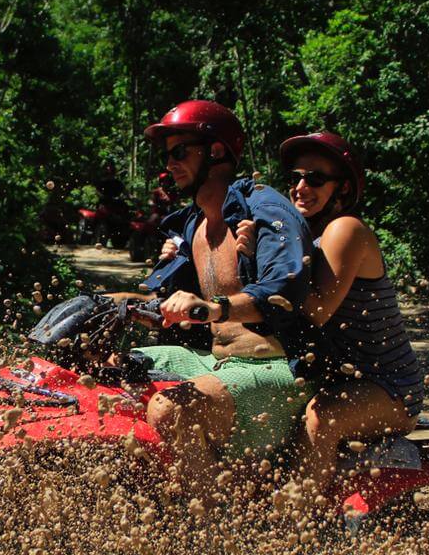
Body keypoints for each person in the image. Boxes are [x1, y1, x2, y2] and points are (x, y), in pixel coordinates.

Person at [130, 100, 314, 497]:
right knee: (116, 370)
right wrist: (121, 306)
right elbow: (161, 296)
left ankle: (213, 528)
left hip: (275, 368)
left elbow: (287, 289)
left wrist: (216, 307)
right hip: (218, 360)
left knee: (169, 408)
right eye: (167, 155)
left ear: (215, 152)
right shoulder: (191, 224)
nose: (170, 164)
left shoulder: (263, 208)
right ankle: (159, 491)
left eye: (180, 152)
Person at [238, 131, 423, 508]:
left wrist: (266, 261)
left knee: (322, 419)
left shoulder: (345, 229)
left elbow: (317, 310)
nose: (301, 187)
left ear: (342, 188)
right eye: (295, 178)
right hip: (333, 373)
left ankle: (306, 525)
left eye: (315, 179)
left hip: (386, 385)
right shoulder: (305, 235)